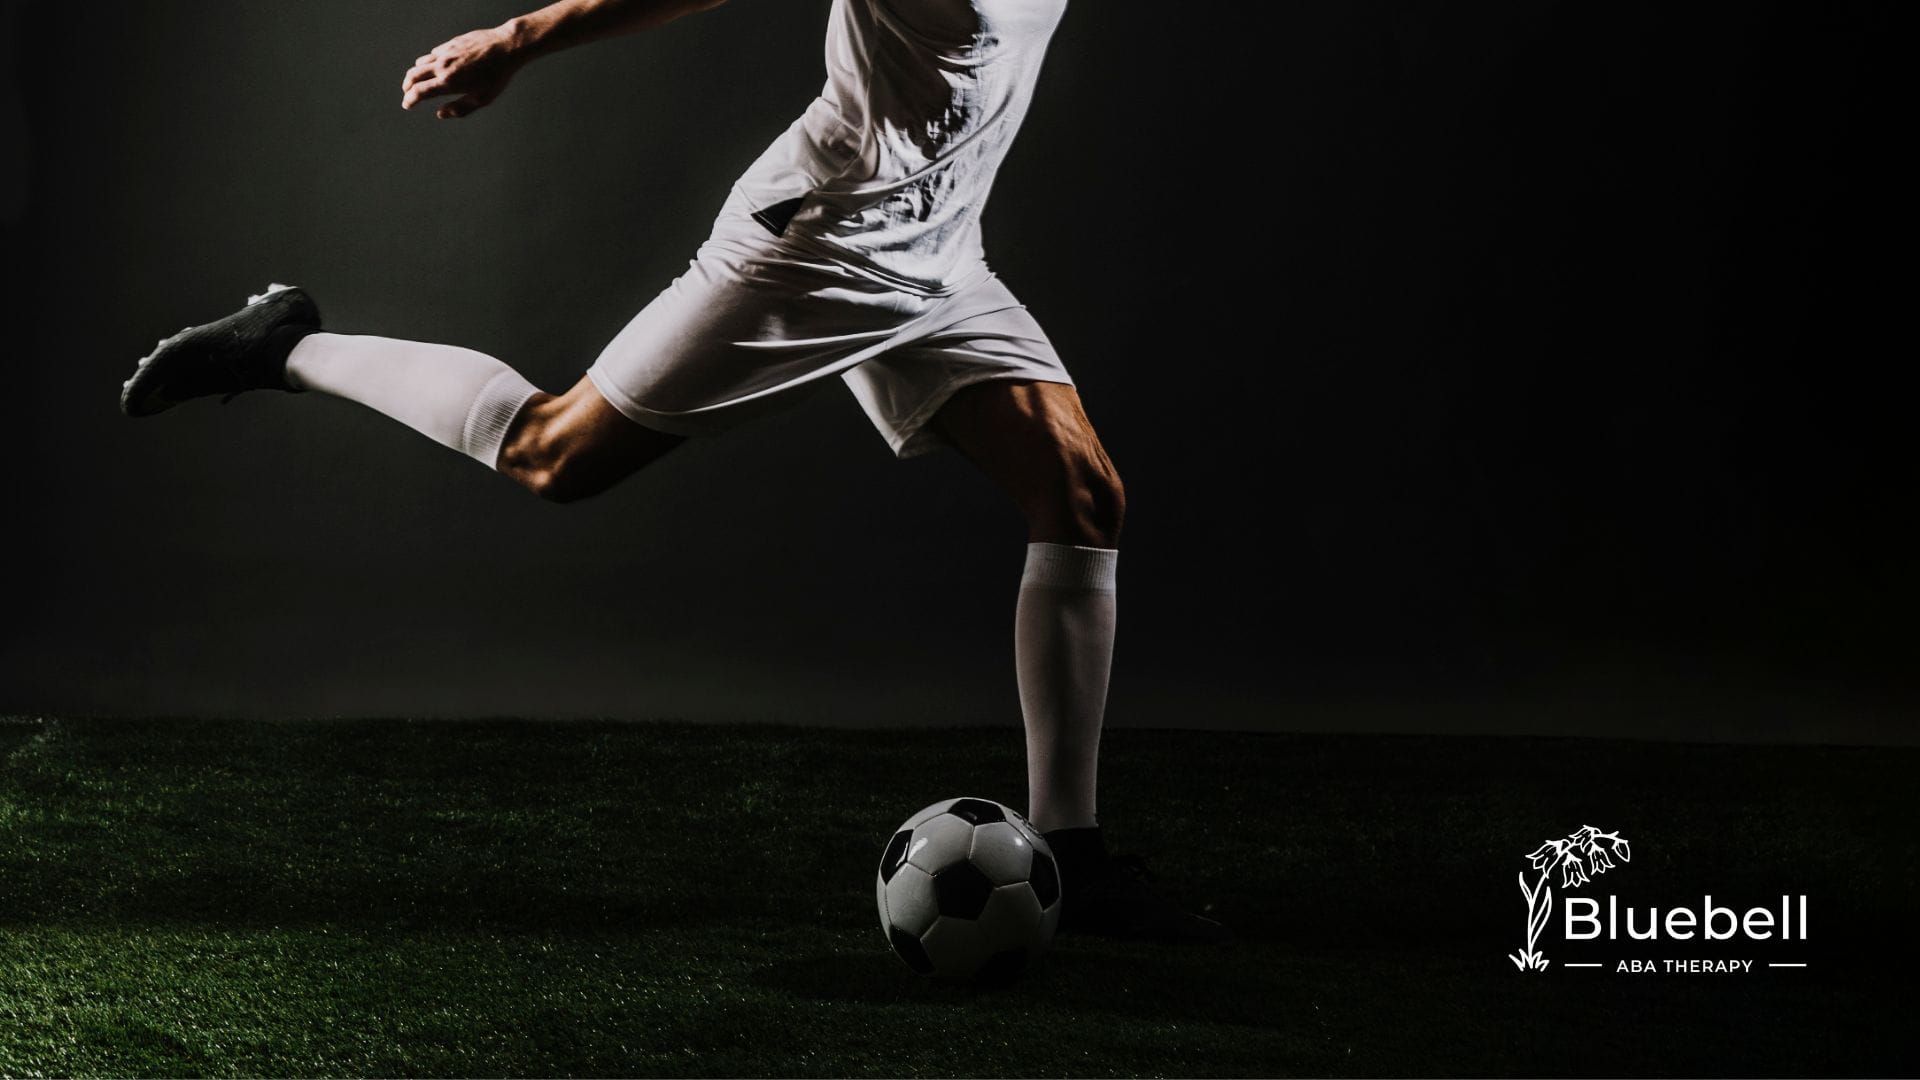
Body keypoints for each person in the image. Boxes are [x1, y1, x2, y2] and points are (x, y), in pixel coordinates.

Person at [120, 0, 1228, 943]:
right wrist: (519, 36)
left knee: (1081, 497)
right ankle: (285, 346)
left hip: (938, 251)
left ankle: (1072, 853)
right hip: (823, 238)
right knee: (556, 454)